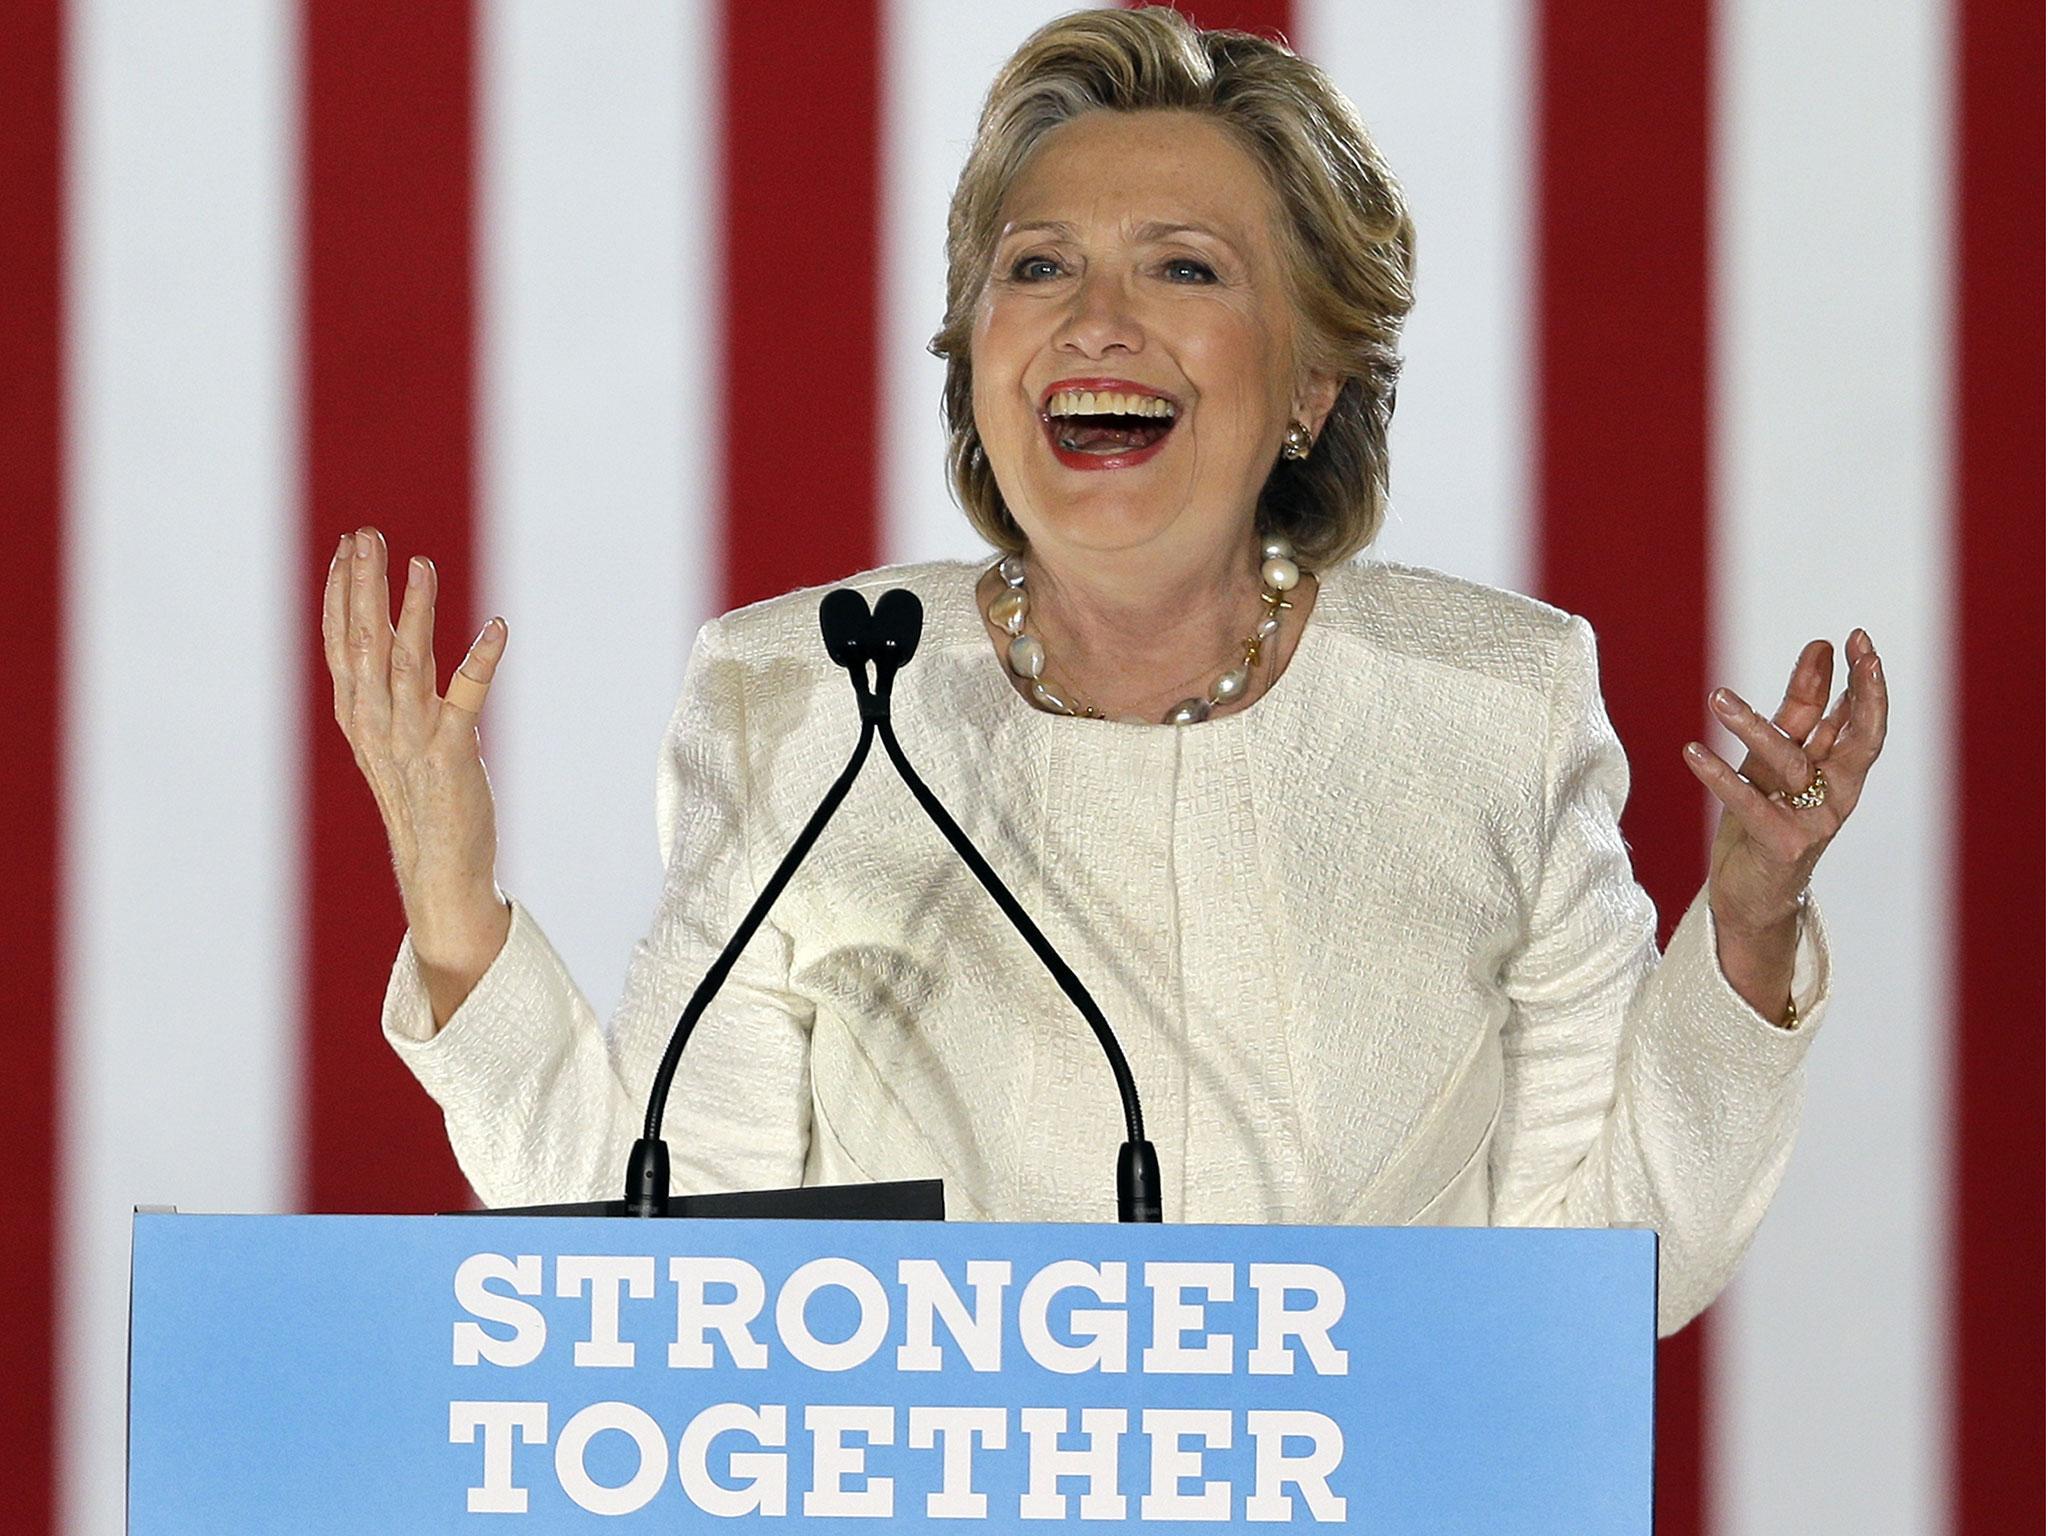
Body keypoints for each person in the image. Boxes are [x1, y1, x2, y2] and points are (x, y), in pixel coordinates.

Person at [322, 8, 1885, 1335]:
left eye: (1187, 270)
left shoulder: (1493, 705)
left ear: (1312, 383)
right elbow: (682, 1272)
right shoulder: (807, 697)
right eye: (1042, 266)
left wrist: (1748, 935)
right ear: (977, 355)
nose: (1098, 322)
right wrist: (457, 915)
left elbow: (1604, 1276)